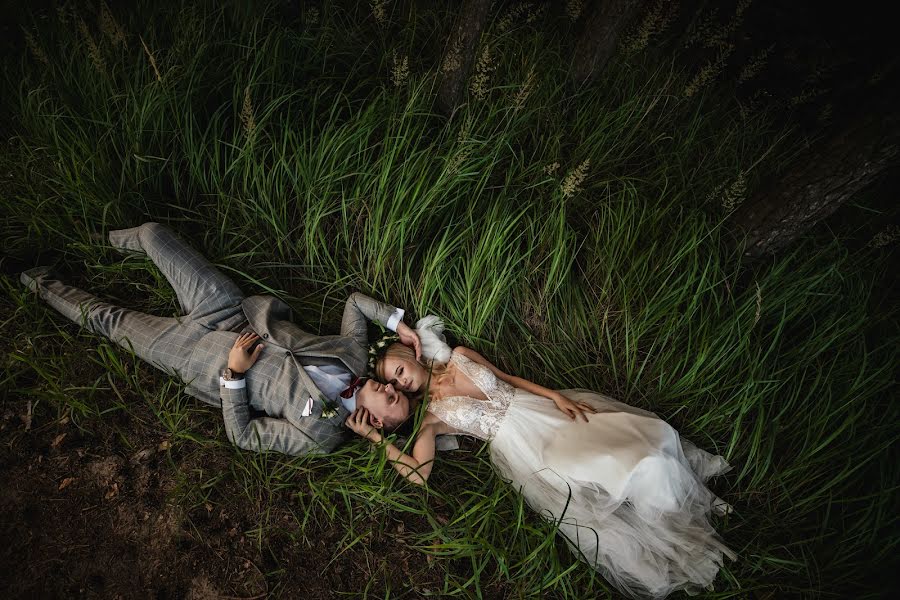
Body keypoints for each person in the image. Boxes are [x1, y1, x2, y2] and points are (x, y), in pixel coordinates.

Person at [347, 322, 736, 600]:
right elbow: (418, 475)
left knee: (640, 439)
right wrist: (378, 439)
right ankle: (663, 516)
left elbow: (509, 379)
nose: (402, 383)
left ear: (410, 354)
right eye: (394, 385)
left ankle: (675, 491)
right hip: (526, 447)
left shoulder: (462, 357)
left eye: (398, 371)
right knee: (597, 471)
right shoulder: (432, 418)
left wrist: (555, 396)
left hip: (539, 411)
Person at [19, 222, 421, 456]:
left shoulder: (322, 436)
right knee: (154, 233)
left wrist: (234, 373)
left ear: (380, 426)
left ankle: (33, 277)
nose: (389, 386)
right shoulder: (353, 353)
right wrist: (397, 322)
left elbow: (243, 436)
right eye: (397, 386)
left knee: (109, 320)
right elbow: (353, 302)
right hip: (230, 311)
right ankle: (89, 237)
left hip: (197, 358)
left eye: (392, 398)